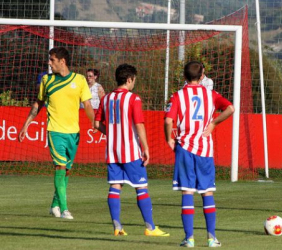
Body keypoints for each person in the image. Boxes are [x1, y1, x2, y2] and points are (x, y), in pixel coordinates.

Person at [18, 47, 94, 220]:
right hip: (55, 131)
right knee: (59, 167)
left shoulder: (80, 80)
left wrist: (94, 122)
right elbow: (38, 104)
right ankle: (65, 209)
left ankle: (54, 205)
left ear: (62, 61)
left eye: (52, 60)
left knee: (66, 171)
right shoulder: (47, 80)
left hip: (74, 133)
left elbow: (88, 105)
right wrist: (25, 125)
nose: (49, 63)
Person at [164, 61, 234, 247]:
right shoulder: (210, 94)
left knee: (187, 191)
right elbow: (230, 108)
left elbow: (168, 120)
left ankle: (189, 239)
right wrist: (213, 124)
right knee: (207, 192)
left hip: (185, 148)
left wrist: (169, 139)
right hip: (204, 149)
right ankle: (212, 238)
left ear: (185, 76)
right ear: (202, 75)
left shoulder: (178, 95)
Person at [94, 63, 169, 237]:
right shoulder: (133, 99)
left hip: (112, 151)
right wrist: (146, 148)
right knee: (141, 187)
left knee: (115, 187)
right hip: (130, 151)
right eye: (134, 80)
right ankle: (150, 228)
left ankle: (117, 226)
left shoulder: (106, 99)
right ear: (129, 79)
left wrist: (111, 132)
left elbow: (97, 124)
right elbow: (139, 124)